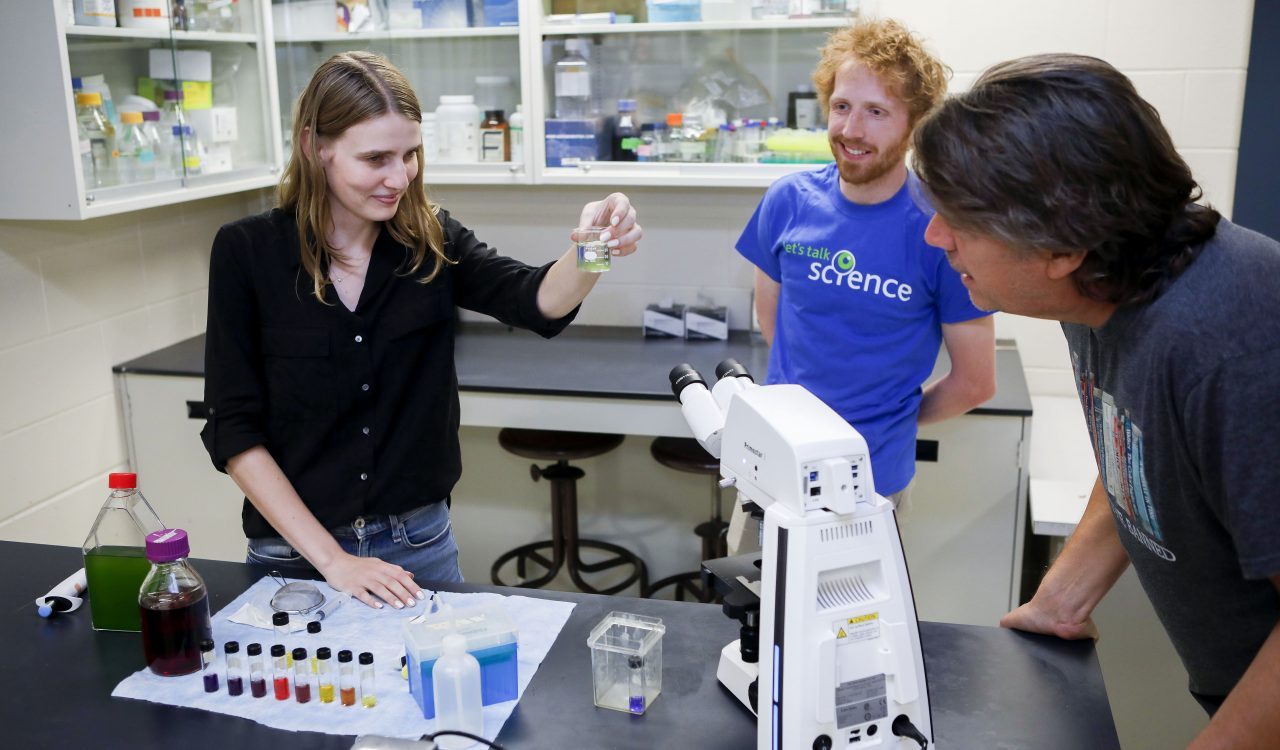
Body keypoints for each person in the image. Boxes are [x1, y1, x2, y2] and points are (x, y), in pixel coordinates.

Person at [912, 53, 1280, 747]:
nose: (935, 236)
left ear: (1061, 244)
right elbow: (1135, 449)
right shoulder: (1099, 287)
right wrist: (1060, 599)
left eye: (956, 219)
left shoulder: (1232, 344)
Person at [200, 51, 642, 611]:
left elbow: (537, 301)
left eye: (410, 154)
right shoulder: (247, 253)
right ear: (316, 147)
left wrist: (594, 246)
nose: (399, 177)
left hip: (418, 548)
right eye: (376, 158)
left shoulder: (431, 240)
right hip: (294, 557)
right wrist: (334, 562)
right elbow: (234, 431)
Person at [736, 18, 996, 517]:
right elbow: (774, 326)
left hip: (870, 486)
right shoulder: (786, 201)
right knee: (753, 594)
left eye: (876, 112)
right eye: (841, 107)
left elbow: (975, 382)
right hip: (774, 469)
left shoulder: (942, 231)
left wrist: (889, 421)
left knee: (858, 600)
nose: (852, 130)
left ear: (914, 123)